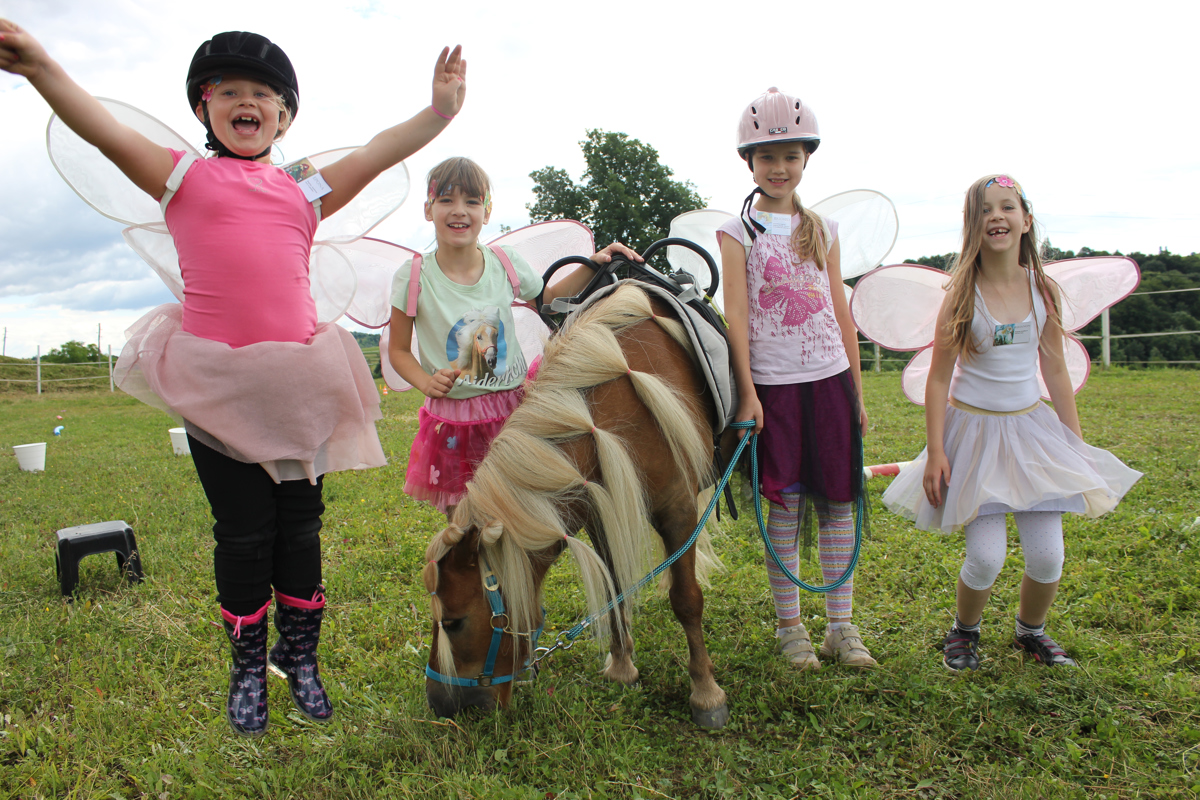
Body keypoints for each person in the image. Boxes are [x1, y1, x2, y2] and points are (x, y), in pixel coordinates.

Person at [1, 20, 466, 735]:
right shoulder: (181, 175)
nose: (249, 102)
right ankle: (248, 668)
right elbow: (99, 128)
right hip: (219, 389)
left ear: (284, 116)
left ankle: (300, 658)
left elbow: (375, 152)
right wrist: (40, 67)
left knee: (301, 530)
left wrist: (436, 112)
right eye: (231, 92)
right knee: (243, 535)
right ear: (204, 107)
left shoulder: (302, 187)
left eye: (266, 95)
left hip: (298, 385)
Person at [881, 174, 1142, 671]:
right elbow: (938, 380)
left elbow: (1055, 369)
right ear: (972, 226)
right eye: (984, 210)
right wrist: (936, 451)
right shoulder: (961, 294)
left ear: (1025, 220)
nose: (996, 216)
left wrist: (1076, 446)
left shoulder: (1042, 290)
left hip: (1032, 434)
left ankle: (1031, 631)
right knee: (986, 558)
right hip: (974, 438)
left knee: (1048, 558)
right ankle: (964, 632)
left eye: (1006, 207)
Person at [717, 88, 875, 671]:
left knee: (837, 503)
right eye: (766, 158)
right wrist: (748, 393)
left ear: (806, 158)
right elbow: (737, 314)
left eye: (789, 156)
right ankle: (791, 628)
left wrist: (855, 394)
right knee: (783, 508)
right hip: (773, 389)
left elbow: (840, 311)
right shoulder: (738, 231)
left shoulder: (823, 228)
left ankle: (842, 626)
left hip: (829, 382)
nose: (778, 168)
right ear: (749, 164)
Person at [387, 157, 641, 518]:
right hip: (456, 421)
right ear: (428, 209)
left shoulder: (505, 263)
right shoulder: (413, 276)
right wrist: (426, 382)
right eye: (446, 200)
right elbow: (398, 350)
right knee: (465, 521)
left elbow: (550, 301)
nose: (459, 211)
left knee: (521, 515)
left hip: (514, 410)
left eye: (472, 202)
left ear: (487, 212)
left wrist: (595, 263)